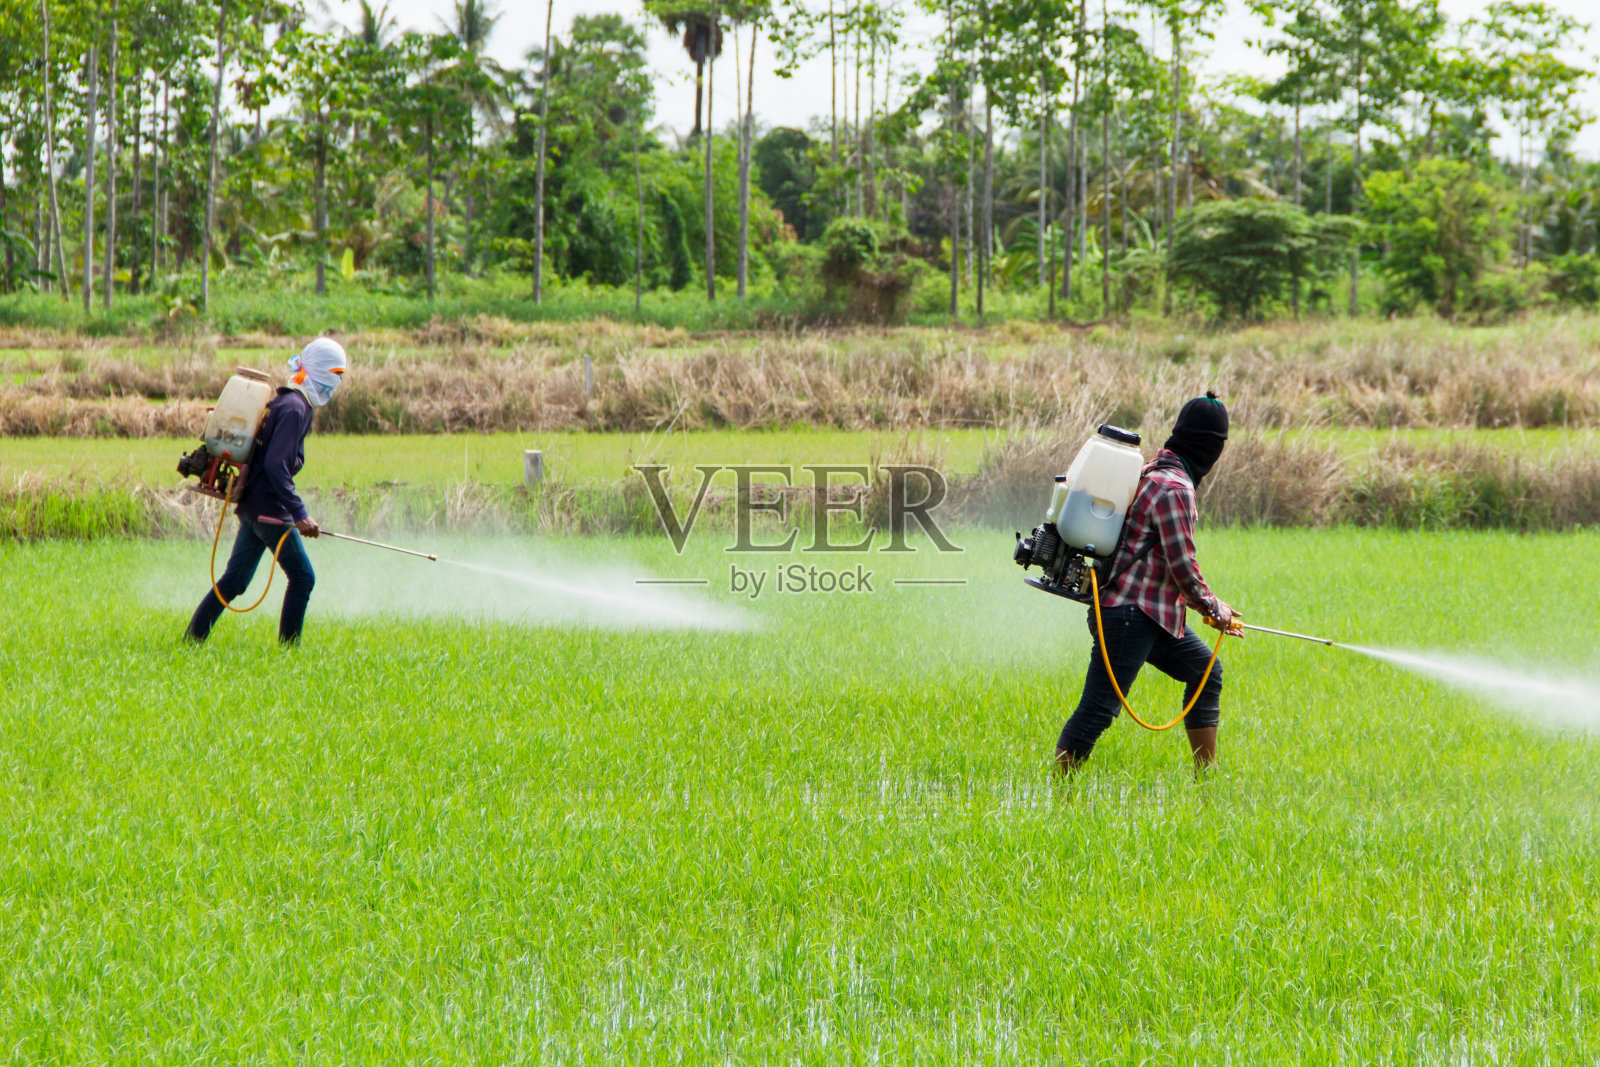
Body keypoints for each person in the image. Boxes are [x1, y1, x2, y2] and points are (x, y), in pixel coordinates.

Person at [1055, 391, 1242, 773]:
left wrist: (1208, 607)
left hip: (1149, 615)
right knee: (1097, 711)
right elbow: (1182, 566)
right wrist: (1213, 607)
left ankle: (1207, 778)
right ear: (1210, 447)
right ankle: (1056, 791)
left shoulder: (1154, 469)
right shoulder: (1174, 488)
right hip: (1128, 617)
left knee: (1206, 672)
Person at [184, 338, 348, 646]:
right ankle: (289, 652)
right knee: (303, 578)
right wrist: (299, 514)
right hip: (270, 510)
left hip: (254, 504)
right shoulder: (295, 409)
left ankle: (192, 641)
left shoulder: (287, 403)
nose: (338, 382)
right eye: (336, 373)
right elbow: (276, 466)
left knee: (235, 580)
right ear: (321, 372)